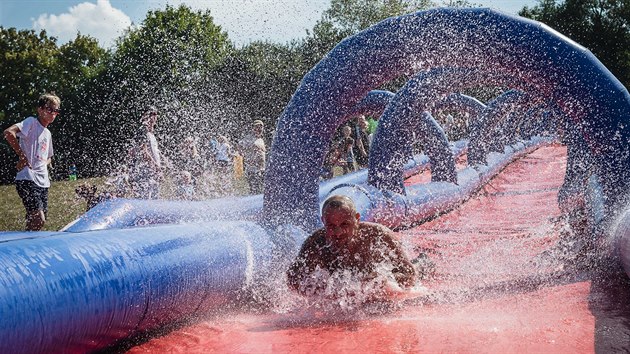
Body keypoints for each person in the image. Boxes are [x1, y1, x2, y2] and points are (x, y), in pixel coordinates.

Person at [287, 195, 419, 297]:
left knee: (420, 268)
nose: (338, 233)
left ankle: (423, 262)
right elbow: (293, 280)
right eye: (331, 226)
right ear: (323, 221)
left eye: (345, 225)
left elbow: (409, 273)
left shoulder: (377, 235)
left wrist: (383, 282)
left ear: (357, 219)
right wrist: (322, 289)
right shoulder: (315, 243)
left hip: (391, 277)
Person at [3, 93, 60, 231]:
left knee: (37, 221)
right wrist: (22, 157)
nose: (53, 113)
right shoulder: (31, 122)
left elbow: (48, 157)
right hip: (27, 179)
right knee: (39, 219)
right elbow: (8, 132)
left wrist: (43, 164)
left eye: (56, 110)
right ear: (40, 110)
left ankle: (25, 244)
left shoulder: (48, 133)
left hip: (43, 182)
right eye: (49, 109)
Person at [128, 106, 163, 199]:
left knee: (154, 199)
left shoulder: (150, 133)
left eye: (155, 114)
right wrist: (156, 166)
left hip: (152, 171)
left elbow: (154, 151)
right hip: (145, 171)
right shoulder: (143, 130)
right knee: (145, 199)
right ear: (145, 116)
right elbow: (143, 151)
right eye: (152, 114)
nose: (154, 117)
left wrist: (162, 163)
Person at [238, 120, 266, 194]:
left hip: (262, 169)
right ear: (253, 128)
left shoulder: (261, 140)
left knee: (262, 191)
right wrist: (244, 155)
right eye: (256, 127)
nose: (259, 128)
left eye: (260, 127)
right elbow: (239, 146)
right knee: (254, 191)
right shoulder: (248, 138)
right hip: (252, 169)